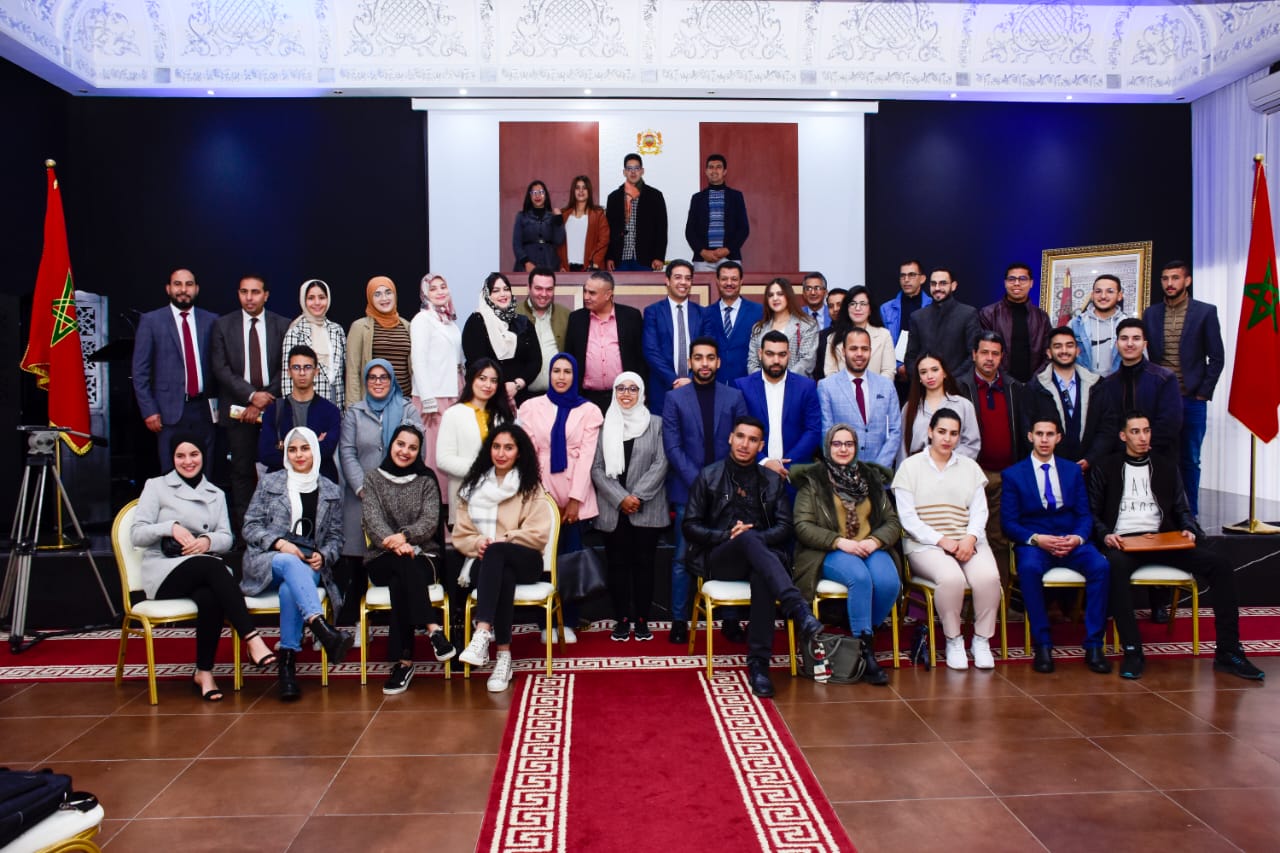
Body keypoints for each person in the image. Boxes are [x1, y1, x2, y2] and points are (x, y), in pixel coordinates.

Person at [1089, 411, 1262, 681]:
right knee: (1114, 567)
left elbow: (1182, 509)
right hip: (1125, 542)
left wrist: (1188, 529)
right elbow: (1092, 514)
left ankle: (1229, 652)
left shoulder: (1166, 466)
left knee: (1220, 565)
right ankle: (1133, 651)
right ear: (1123, 436)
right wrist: (1105, 535)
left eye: (1146, 430)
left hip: (1164, 540)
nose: (1143, 437)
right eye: (1135, 431)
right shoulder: (1105, 467)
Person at [683, 416, 825, 697]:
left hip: (762, 561)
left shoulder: (771, 480)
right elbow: (689, 525)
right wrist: (727, 536)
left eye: (752, 440)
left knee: (762, 574)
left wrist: (755, 537)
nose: (744, 444)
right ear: (730, 438)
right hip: (722, 558)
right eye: (740, 436)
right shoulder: (709, 475)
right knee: (747, 539)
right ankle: (797, 607)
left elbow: (785, 527)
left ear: (761, 446)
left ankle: (759, 666)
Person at [131, 435, 275, 701]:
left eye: (194, 454)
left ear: (203, 456)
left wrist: (207, 541)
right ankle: (252, 638)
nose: (188, 461)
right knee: (213, 568)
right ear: (172, 458)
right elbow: (137, 534)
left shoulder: (215, 493)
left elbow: (227, 538)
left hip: (201, 569)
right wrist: (171, 527)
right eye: (180, 456)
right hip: (164, 571)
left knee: (211, 596)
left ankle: (204, 672)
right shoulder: (156, 486)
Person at [241, 426, 350, 701]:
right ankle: (321, 627)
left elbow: (336, 538)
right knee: (290, 563)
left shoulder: (331, 490)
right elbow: (250, 527)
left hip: (309, 565)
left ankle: (287, 666)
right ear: (286, 453)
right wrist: (280, 544)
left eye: (304, 448)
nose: (299, 455)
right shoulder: (270, 482)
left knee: (290, 589)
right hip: (268, 560)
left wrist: (324, 555)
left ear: (315, 451)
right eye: (292, 449)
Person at [791, 425, 902, 686]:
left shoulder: (871, 478)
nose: (843, 449)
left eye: (849, 444)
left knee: (889, 583)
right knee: (860, 578)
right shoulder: (813, 480)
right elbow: (802, 525)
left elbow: (892, 521)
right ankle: (866, 651)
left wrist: (875, 540)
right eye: (837, 444)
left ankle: (859, 636)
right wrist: (839, 541)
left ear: (856, 447)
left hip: (869, 546)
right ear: (828, 447)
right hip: (829, 550)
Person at [1001, 416, 1111, 674]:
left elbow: (1084, 515)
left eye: (1050, 434)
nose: (1044, 440)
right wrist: (1037, 539)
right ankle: (1043, 644)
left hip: (1070, 539)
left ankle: (1094, 645)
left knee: (1101, 567)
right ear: (1030, 436)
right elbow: (1009, 523)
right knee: (1028, 569)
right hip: (1036, 542)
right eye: (1039, 434)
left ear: (1058, 438)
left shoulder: (1072, 471)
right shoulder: (1013, 475)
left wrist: (1078, 538)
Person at [892, 408, 1001, 671]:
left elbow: (980, 511)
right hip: (925, 544)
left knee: (989, 578)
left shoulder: (970, 467)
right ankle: (954, 640)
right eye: (941, 432)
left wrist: (970, 538)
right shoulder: (910, 467)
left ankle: (981, 640)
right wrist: (942, 540)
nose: (947, 438)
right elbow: (908, 519)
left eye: (953, 433)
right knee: (952, 579)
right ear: (930, 432)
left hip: (968, 540)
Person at [456, 425, 556, 693]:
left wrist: (506, 538)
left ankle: (482, 631)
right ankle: (503, 657)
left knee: (498, 553)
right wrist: (478, 542)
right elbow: (461, 535)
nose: (501, 453)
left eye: (508, 448)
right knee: (502, 572)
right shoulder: (472, 487)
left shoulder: (530, 487)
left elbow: (538, 535)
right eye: (496, 446)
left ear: (518, 452)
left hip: (526, 559)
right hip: (484, 561)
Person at [662, 337, 748, 643]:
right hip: (688, 492)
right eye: (698, 358)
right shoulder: (674, 399)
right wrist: (702, 484)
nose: (704, 364)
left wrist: (721, 484)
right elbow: (673, 448)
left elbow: (742, 444)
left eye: (710, 358)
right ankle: (679, 621)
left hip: (728, 490)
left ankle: (730, 620)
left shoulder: (734, 397)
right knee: (682, 559)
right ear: (690, 362)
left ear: (718, 362)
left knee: (730, 555)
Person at [516, 353, 604, 645]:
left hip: (576, 494)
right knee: (543, 560)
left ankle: (570, 621)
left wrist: (574, 500)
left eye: (567, 371)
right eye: (556, 371)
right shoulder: (531, 407)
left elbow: (587, 456)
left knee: (570, 560)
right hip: (541, 493)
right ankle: (546, 622)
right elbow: (528, 454)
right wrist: (544, 498)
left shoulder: (589, 410)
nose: (562, 377)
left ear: (575, 375)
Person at [362, 424, 456, 694]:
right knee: (402, 564)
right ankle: (433, 629)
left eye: (413, 448)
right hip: (382, 556)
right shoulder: (373, 479)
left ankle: (404, 662)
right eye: (400, 444)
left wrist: (404, 537)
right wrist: (396, 544)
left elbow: (429, 522)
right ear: (391, 444)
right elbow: (372, 519)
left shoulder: (426, 480)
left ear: (419, 452)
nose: (405, 451)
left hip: (423, 557)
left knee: (399, 579)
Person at [209, 273, 289, 537]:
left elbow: (287, 367)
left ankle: (277, 530)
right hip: (238, 411)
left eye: (255, 292)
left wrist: (264, 397)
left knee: (277, 470)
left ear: (266, 295)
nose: (249, 297)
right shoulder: (223, 325)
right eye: (244, 292)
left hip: (274, 408)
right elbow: (220, 369)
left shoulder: (282, 324)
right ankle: (247, 533)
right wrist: (252, 396)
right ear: (238, 294)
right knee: (241, 471)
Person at [1142, 260, 1224, 517]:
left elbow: (1217, 357)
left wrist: (1202, 393)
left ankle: (1190, 515)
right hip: (1161, 400)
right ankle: (1162, 514)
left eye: (1175, 278)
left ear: (1187, 281)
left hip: (1191, 399)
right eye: (1165, 278)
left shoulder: (1205, 312)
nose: (1170, 283)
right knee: (1159, 456)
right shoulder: (1151, 314)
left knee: (1190, 458)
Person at [590, 372, 668, 642]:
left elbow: (662, 463)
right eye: (620, 388)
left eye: (633, 389)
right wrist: (620, 498)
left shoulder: (656, 424)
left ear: (642, 393)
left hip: (647, 507)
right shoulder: (604, 425)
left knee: (644, 565)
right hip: (614, 509)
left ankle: (643, 620)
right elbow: (597, 468)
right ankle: (622, 620)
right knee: (617, 566)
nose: (626, 393)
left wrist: (637, 496)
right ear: (614, 392)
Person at [956, 331, 1027, 585]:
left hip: (1005, 475)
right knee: (966, 535)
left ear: (1002, 357)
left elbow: (1023, 431)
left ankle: (998, 597)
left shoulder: (1015, 388)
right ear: (974, 354)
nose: (989, 358)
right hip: (969, 475)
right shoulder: (959, 387)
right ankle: (966, 599)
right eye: (984, 352)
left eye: (995, 353)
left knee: (999, 538)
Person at [132, 267, 218, 470]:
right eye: (177, 284)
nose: (183, 290)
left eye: (189, 284)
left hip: (205, 410)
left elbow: (220, 365)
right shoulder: (151, 321)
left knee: (205, 471)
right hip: (167, 412)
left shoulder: (212, 320)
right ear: (168, 289)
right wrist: (149, 410)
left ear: (196, 289)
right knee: (172, 472)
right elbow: (140, 371)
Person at [339, 360, 417, 573]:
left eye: (384, 377)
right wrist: (363, 488)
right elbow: (347, 452)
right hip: (361, 496)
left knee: (397, 559)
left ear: (392, 380)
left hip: (400, 495)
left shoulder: (408, 410)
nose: (378, 382)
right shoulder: (355, 413)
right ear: (365, 381)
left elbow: (417, 450)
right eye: (372, 377)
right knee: (360, 563)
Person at [436, 359, 515, 524]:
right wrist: (483, 470)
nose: (488, 385)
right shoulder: (453, 414)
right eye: (482, 378)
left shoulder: (503, 416)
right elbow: (443, 460)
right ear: (471, 379)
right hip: (465, 497)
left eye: (494, 380)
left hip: (500, 498)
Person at [734, 330, 821, 480]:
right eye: (770, 354)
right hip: (754, 473)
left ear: (789, 355)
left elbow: (813, 430)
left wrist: (783, 465)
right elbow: (738, 432)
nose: (776, 360)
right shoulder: (743, 386)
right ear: (760, 354)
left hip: (795, 474)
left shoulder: (806, 387)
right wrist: (764, 461)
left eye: (782, 354)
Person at [1026, 326, 1113, 471]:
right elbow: (1028, 430)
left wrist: (1090, 459)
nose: (1064, 350)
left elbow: (1108, 428)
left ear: (1077, 351)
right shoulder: (1035, 388)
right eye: (1057, 346)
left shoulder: (1097, 386)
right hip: (1050, 469)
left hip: (1091, 469)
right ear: (1049, 353)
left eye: (1069, 345)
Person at [409, 272, 464, 499]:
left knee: (451, 452)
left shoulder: (449, 320)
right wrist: (428, 399)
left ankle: (450, 508)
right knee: (434, 455)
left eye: (443, 286)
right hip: (434, 396)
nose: (440, 291)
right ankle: (432, 506)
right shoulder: (422, 320)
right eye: (433, 288)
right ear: (425, 294)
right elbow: (418, 360)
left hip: (454, 391)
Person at [817, 327, 902, 469]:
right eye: (853, 348)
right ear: (843, 351)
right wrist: (845, 469)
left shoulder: (886, 386)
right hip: (842, 473)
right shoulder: (827, 387)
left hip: (880, 473)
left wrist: (877, 469)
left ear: (870, 351)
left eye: (864, 349)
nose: (859, 354)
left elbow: (895, 431)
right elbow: (826, 433)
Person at [1096, 319, 1182, 456]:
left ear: (1144, 344)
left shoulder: (1164, 378)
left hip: (1157, 456)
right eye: (1124, 338)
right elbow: (1108, 426)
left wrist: (1140, 446)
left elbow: (1169, 423)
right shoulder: (1108, 384)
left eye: (1136, 338)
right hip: (1118, 457)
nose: (1129, 344)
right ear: (1117, 344)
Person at [564, 270, 646, 413]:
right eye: (585, 291)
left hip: (624, 398)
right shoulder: (576, 319)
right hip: (586, 399)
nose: (586, 297)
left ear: (608, 295)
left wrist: (641, 393)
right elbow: (569, 358)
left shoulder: (631, 317)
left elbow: (641, 359)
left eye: (592, 293)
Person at [258, 345, 341, 482]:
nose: (302, 372)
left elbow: (327, 450)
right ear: (288, 372)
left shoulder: (330, 411)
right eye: (296, 367)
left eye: (307, 367)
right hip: (282, 484)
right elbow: (266, 454)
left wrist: (286, 448)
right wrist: (313, 446)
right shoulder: (274, 410)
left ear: (316, 371)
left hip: (320, 481)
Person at [462, 272, 542, 406]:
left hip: (519, 396)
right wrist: (498, 387)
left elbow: (535, 361)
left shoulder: (523, 322)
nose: (503, 294)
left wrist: (517, 384)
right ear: (487, 295)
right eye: (496, 291)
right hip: (487, 398)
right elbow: (476, 363)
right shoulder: (476, 321)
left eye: (506, 289)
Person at [643, 259, 705, 414]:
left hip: (697, 387)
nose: (683, 282)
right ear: (667, 281)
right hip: (663, 388)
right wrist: (674, 380)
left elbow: (708, 351)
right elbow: (651, 351)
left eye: (688, 278)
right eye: (678, 277)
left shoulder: (703, 313)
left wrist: (692, 379)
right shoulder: (653, 312)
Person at [900, 352, 980, 463]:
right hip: (918, 469)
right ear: (919, 378)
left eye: (935, 370)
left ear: (944, 373)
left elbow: (972, 444)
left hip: (954, 468)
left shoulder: (964, 405)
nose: (930, 376)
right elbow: (902, 448)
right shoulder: (909, 408)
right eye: (923, 372)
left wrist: (945, 461)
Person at [280, 278, 347, 409]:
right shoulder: (295, 331)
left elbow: (344, 371)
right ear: (303, 301)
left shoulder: (336, 330)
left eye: (321, 297)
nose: (317, 302)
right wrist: (291, 409)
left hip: (336, 401)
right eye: (311, 298)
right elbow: (287, 378)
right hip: (306, 404)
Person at [904, 267, 982, 380]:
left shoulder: (968, 314)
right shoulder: (918, 317)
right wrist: (921, 379)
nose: (937, 288)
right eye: (933, 284)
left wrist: (949, 379)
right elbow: (910, 357)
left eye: (943, 283)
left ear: (953, 286)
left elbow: (973, 355)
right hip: (925, 386)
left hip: (957, 385)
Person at [979, 263, 1051, 382]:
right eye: (1012, 279)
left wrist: (1034, 381)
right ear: (1005, 283)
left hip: (1033, 385)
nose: (1017, 283)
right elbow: (984, 352)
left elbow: (1048, 354)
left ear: (1031, 283)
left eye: (1022, 279)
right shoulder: (989, 314)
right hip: (998, 383)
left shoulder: (1042, 317)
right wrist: (1006, 381)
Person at [346, 276, 413, 403]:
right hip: (373, 403)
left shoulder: (407, 326)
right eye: (377, 294)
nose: (384, 298)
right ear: (370, 298)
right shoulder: (359, 327)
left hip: (404, 401)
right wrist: (354, 408)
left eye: (388, 292)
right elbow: (353, 371)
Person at [698, 260, 762, 384]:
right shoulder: (705, 313)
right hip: (714, 384)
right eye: (724, 279)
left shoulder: (758, 311)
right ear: (717, 281)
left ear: (741, 281)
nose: (729, 283)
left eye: (734, 279)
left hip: (747, 384)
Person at [685, 153, 749, 271]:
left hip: (729, 257)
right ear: (706, 171)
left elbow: (743, 229)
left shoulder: (736, 197)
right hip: (703, 259)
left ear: (724, 171)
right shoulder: (697, 198)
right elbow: (690, 231)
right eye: (711, 167)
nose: (714, 170)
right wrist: (702, 252)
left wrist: (727, 249)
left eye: (718, 167)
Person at [605, 153, 668, 271]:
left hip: (645, 258)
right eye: (629, 169)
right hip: (620, 259)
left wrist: (659, 257)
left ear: (642, 171)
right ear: (624, 172)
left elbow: (661, 229)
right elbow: (609, 230)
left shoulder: (655, 196)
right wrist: (609, 256)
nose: (633, 172)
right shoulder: (614, 197)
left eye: (636, 168)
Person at [746, 277, 819, 377]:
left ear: (788, 296)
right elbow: (752, 363)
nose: (775, 298)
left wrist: (782, 381)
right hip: (763, 384)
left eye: (780, 294)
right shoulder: (758, 328)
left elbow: (807, 361)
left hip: (795, 383)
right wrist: (766, 381)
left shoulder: (807, 325)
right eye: (771, 295)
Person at [818, 285, 894, 381]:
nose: (857, 308)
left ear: (870, 309)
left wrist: (873, 389)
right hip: (842, 389)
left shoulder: (884, 335)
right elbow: (830, 373)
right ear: (847, 308)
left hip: (877, 389)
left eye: (863, 304)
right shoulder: (832, 338)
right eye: (853, 304)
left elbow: (888, 371)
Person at [515, 267, 569, 395]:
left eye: (549, 289)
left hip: (558, 395)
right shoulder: (514, 315)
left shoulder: (566, 315)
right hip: (522, 395)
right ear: (528, 288)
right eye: (538, 288)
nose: (544, 294)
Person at [880, 259, 932, 381]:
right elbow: (883, 344)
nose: (906, 279)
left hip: (926, 371)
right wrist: (898, 366)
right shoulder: (886, 309)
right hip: (895, 373)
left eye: (911, 275)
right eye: (903, 276)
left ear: (922, 279)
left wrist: (917, 367)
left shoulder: (933, 306)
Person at [1070, 274, 1129, 376]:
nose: (1103, 296)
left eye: (1110, 291)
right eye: (1098, 291)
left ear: (1119, 296)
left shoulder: (1129, 325)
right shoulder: (1076, 324)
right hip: (1085, 383)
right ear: (1092, 295)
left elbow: (1141, 362)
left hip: (1119, 383)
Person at [511, 179, 564, 272]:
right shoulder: (521, 216)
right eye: (534, 193)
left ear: (546, 195)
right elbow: (517, 244)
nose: (537, 195)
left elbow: (559, 241)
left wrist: (559, 219)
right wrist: (526, 262)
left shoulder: (552, 216)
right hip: (526, 266)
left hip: (549, 263)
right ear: (530, 196)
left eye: (541, 192)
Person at [558, 175, 609, 271]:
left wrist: (595, 262)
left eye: (584, 188)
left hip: (589, 268)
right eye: (577, 188)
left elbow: (604, 240)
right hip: (567, 269)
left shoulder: (598, 214)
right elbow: (558, 243)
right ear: (573, 191)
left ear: (589, 191)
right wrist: (561, 265)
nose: (581, 191)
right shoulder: (563, 214)